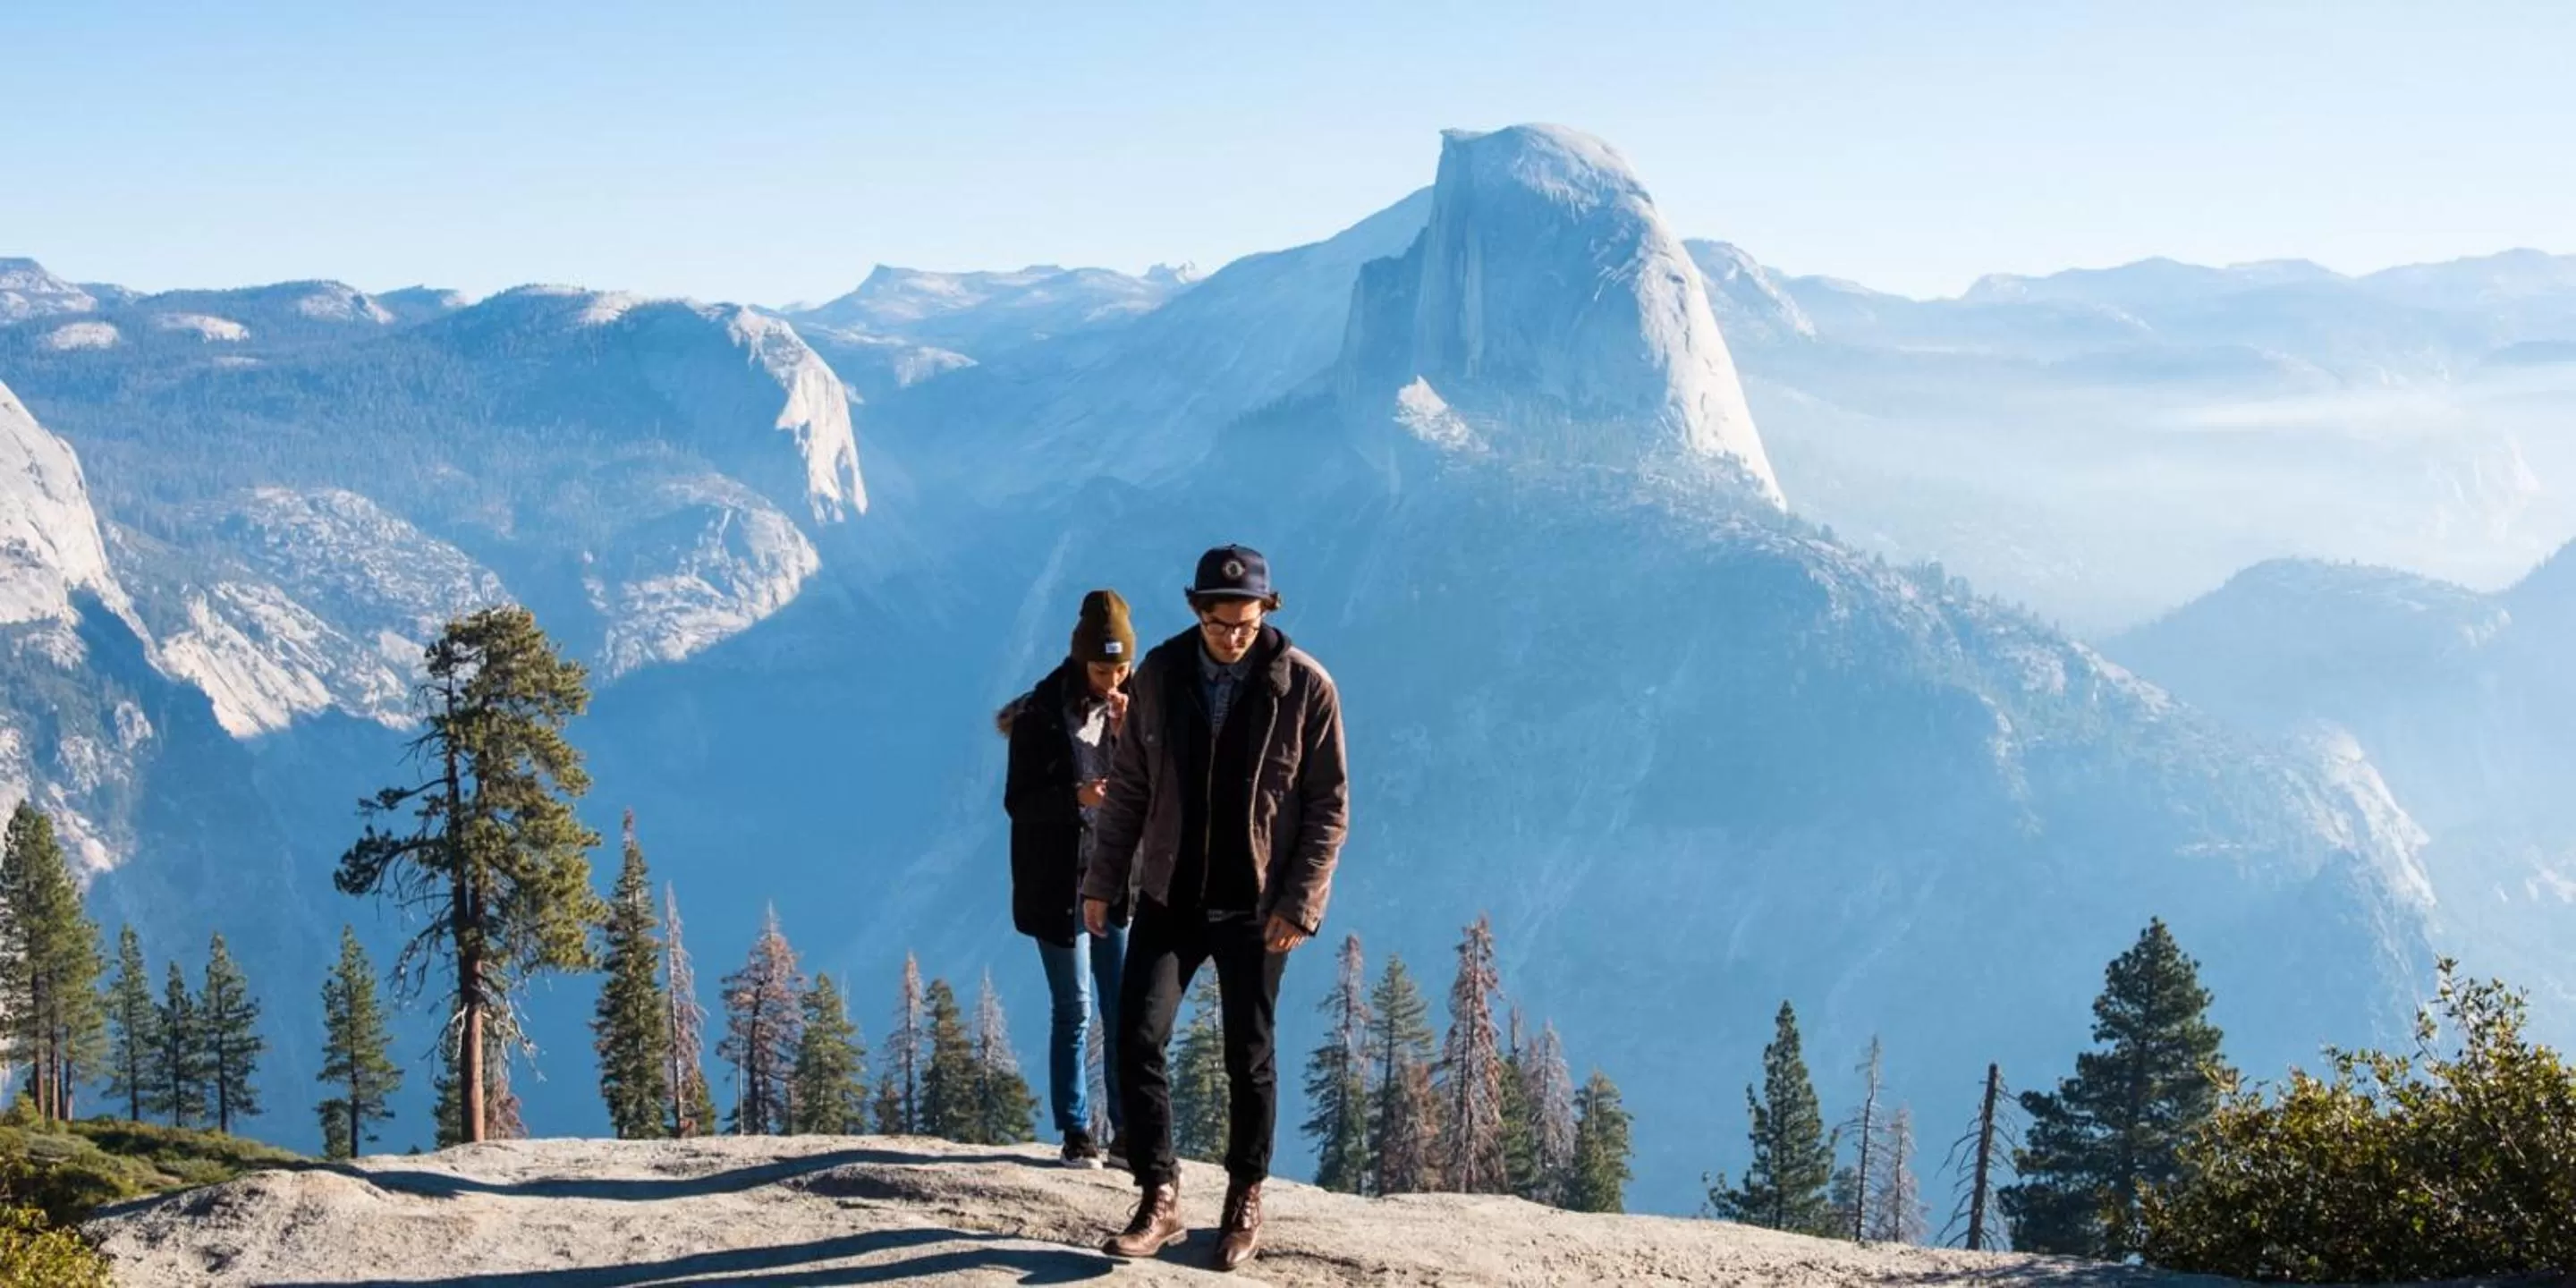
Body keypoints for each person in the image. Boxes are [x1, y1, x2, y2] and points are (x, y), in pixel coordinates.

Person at [1082, 545, 1350, 1272]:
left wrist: (1299, 903)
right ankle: (1160, 1194)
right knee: (1137, 1035)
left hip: (1258, 906)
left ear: (1267, 610)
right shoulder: (1163, 677)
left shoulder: (1305, 687)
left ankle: (1243, 1200)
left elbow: (1329, 806)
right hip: (1171, 896)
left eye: (1246, 621)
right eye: (1220, 621)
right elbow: (1130, 786)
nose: (1233, 635)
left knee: (1249, 1056)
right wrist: (1103, 882)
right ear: (1197, 610)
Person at [1000, 589, 1140, 1168]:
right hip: (1057, 886)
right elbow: (1018, 802)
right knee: (1075, 1007)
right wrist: (1075, 798)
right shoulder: (1040, 714)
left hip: (1114, 881)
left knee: (1122, 1006)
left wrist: (1133, 737)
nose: (1112, 679)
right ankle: (1077, 1130)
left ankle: (1128, 1132)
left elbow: (1156, 791)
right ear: (1081, 659)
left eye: (1121, 667)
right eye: (1103, 668)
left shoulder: (1133, 710)